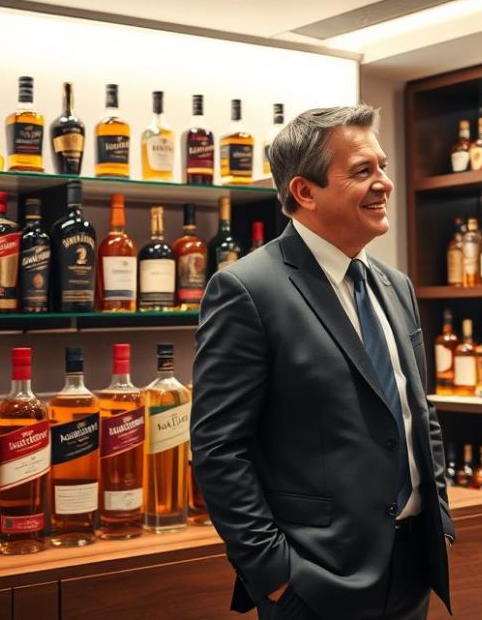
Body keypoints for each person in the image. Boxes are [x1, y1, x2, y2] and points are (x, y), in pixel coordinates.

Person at [191, 105, 454, 620]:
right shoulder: (246, 289)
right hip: (313, 580)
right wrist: (272, 574)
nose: (385, 183)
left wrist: (436, 516)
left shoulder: (394, 285)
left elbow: (417, 410)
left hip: (411, 570)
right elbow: (219, 448)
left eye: (382, 167)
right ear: (303, 192)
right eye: (363, 171)